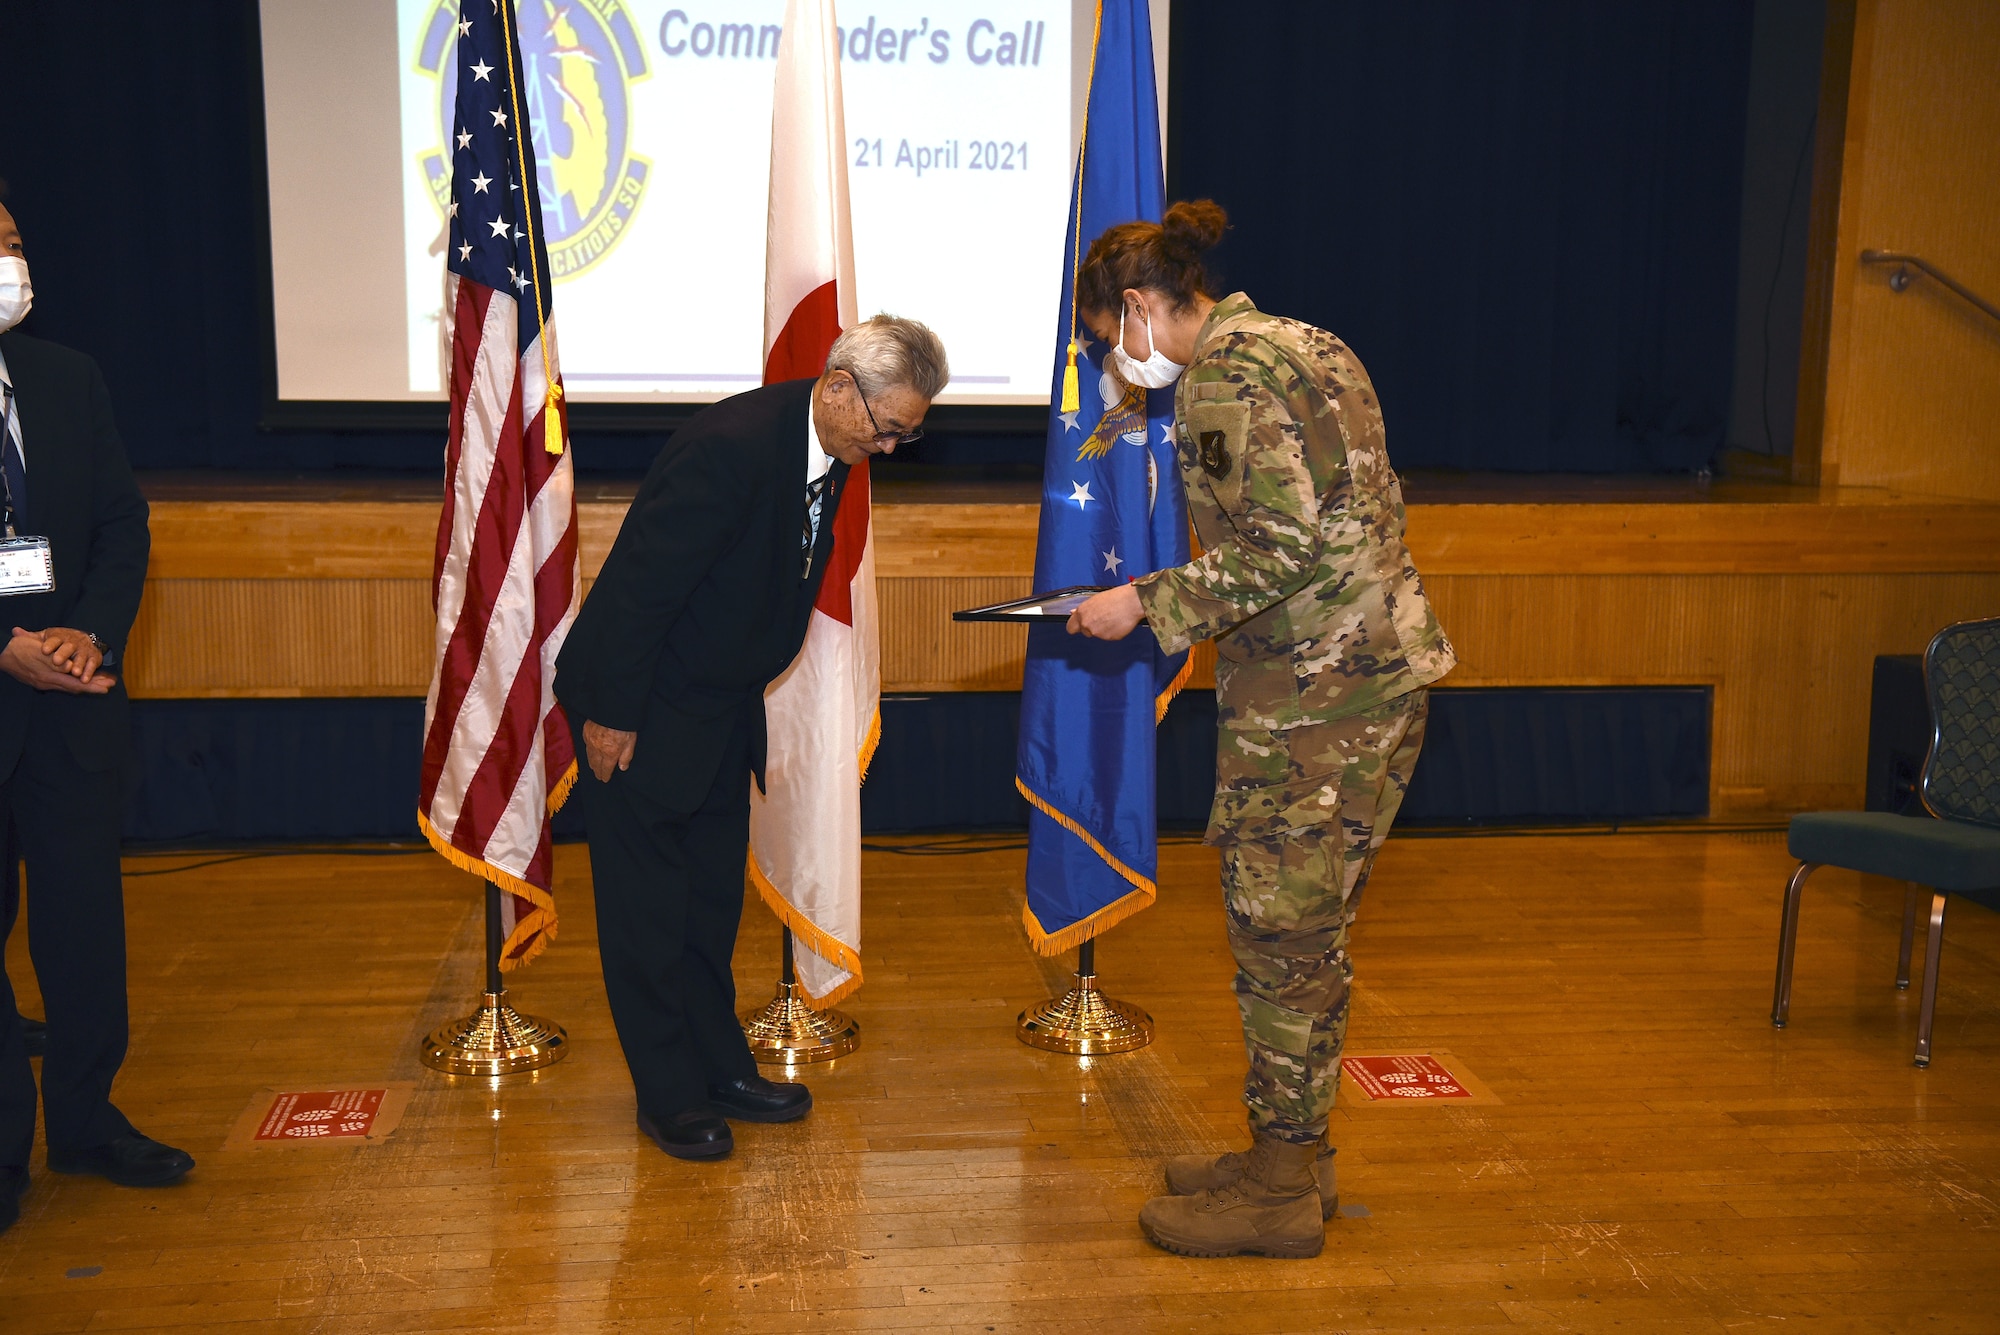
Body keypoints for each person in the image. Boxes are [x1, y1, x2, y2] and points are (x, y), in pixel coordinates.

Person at [1066, 201, 1456, 1259]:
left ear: (1142, 307)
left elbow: (1275, 548)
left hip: (1314, 704)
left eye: (1110, 337)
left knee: (1281, 943)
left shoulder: (1224, 378)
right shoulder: (1308, 342)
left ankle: (1278, 1192)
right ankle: (1296, 1157)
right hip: (1363, 682)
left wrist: (1142, 604)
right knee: (1310, 938)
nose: (1116, 358)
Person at [555, 315, 948, 1161]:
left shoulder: (831, 449)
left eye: (907, 435)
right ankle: (666, 1095)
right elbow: (640, 589)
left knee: (707, 906)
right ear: (841, 388)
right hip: (643, 705)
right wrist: (613, 715)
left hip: (717, 706)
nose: (889, 448)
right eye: (889, 429)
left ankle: (718, 1067)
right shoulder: (729, 449)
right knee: (648, 916)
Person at [0, 197, 193, 1238]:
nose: (13, 261)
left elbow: (122, 524)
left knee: (83, 935)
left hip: (72, 703)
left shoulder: (65, 377)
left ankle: (84, 1120)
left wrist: (89, 634)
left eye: (18, 244)